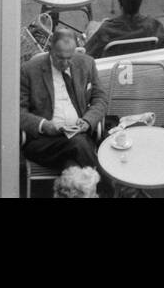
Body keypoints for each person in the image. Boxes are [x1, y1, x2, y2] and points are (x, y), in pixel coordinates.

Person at [19, 27, 108, 187]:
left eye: (69, 57)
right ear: (50, 50)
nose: (65, 63)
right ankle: (107, 186)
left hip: (78, 136)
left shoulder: (86, 63)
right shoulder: (29, 70)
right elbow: (18, 112)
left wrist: (87, 121)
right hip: (43, 142)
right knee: (78, 144)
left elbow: (100, 98)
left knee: (73, 169)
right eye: (60, 58)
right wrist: (43, 125)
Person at [84, 0, 164, 59]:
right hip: (145, 69)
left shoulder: (107, 31)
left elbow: (87, 55)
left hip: (115, 71)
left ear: (119, 1)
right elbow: (163, 51)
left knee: (91, 25)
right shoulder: (154, 27)